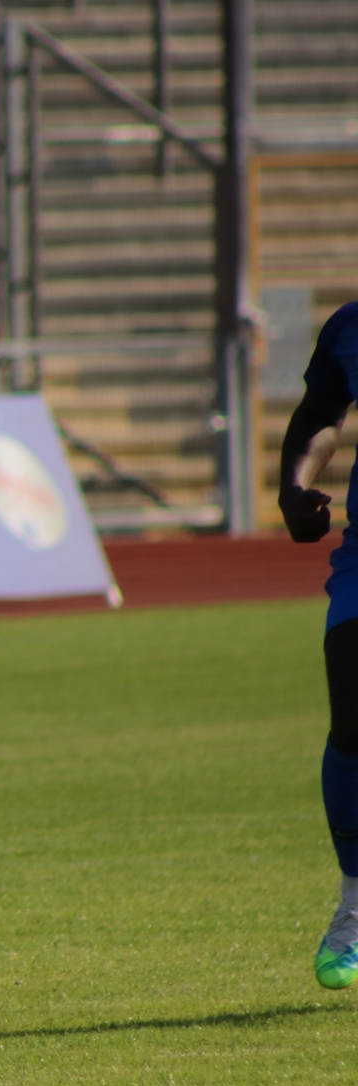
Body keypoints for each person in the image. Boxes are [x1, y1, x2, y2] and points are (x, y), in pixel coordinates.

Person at [276, 304, 358, 990]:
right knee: (353, 717)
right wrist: (294, 486)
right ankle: (354, 906)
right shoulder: (350, 327)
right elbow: (320, 413)